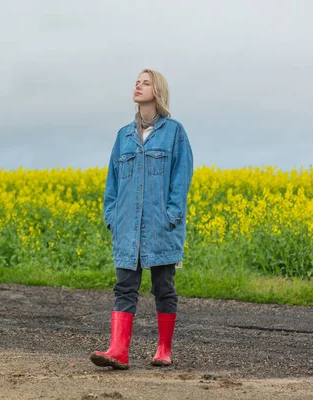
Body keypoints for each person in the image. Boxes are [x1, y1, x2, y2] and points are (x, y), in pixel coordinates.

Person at [90, 69, 193, 369]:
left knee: (163, 287)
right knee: (124, 287)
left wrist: (172, 215)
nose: (138, 85)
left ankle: (164, 349)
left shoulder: (175, 132)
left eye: (145, 82)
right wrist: (112, 216)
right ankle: (118, 351)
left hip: (162, 226)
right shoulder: (123, 136)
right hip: (127, 227)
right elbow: (112, 181)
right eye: (137, 81)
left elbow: (181, 177)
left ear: (157, 91)